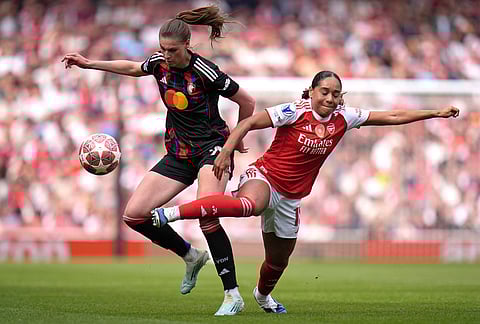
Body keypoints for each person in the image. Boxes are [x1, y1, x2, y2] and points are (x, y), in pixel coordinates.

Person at [151, 70, 460, 313]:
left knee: (278, 262)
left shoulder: (344, 118)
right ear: (312, 91)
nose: (329, 98)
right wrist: (225, 152)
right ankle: (169, 214)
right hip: (265, 177)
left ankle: (262, 296)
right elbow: (247, 124)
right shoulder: (293, 111)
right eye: (324, 91)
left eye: (335, 94)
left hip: (291, 197)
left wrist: (434, 113)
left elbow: (391, 116)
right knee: (250, 204)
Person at [62, 5, 255, 316]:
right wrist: (89, 64)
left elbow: (247, 100)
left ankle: (232, 294)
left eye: (173, 50)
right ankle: (191, 256)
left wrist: (236, 142)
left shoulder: (206, 72)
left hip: (212, 150)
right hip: (178, 153)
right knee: (134, 215)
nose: (166, 55)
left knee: (207, 215)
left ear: (187, 46)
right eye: (162, 49)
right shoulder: (158, 64)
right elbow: (133, 68)